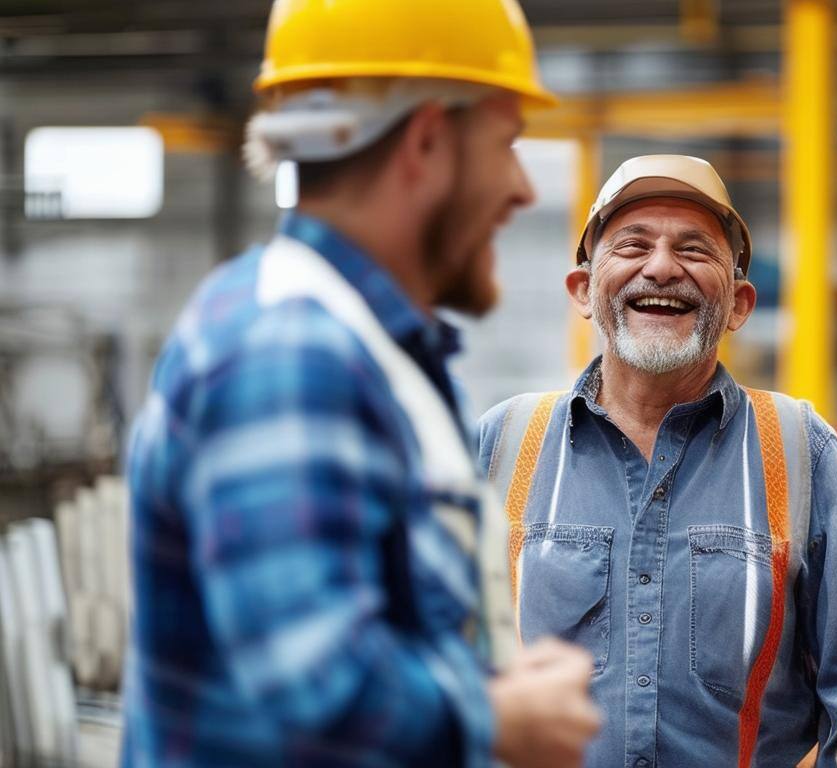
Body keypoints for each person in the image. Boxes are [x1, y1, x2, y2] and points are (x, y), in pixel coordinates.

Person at [121, 1, 599, 766]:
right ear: (427, 140)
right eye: (507, 143)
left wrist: (487, 680)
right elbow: (316, 684)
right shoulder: (286, 351)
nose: (521, 188)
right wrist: (497, 715)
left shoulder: (373, 351)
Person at [478, 154, 837, 768]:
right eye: (633, 245)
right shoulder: (502, 443)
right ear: (583, 290)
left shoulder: (802, 451)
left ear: (740, 304)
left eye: (694, 250)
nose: (661, 268)